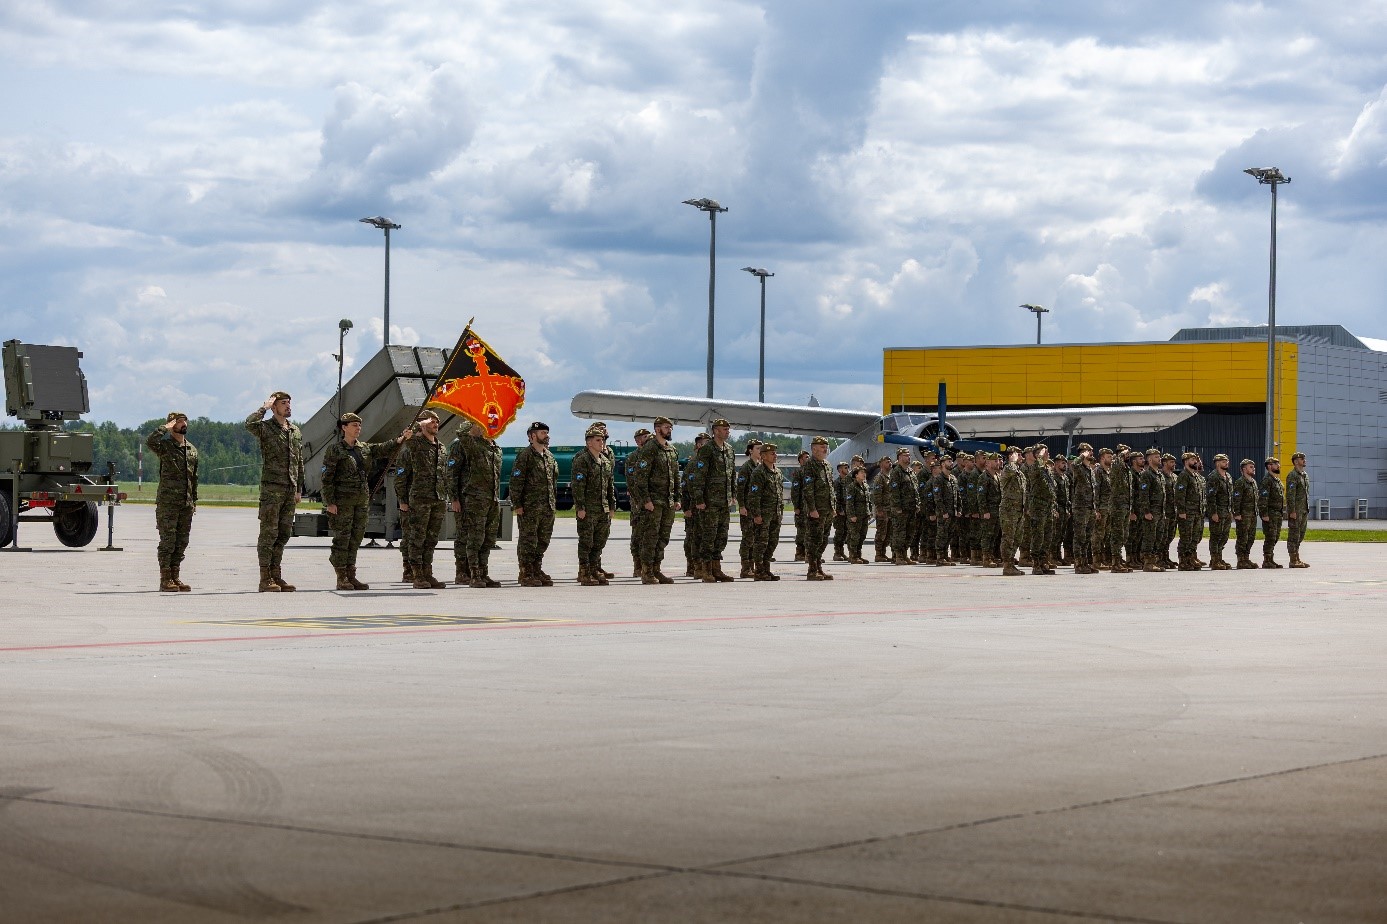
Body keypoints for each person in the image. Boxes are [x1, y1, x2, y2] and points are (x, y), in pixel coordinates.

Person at [322, 413, 409, 590]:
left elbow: (384, 448)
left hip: (361, 502)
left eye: (359, 425)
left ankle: (350, 575)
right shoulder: (335, 450)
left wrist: (401, 439)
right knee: (342, 539)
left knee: (355, 539)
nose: (358, 428)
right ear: (344, 427)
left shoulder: (364, 448)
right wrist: (329, 503)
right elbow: (326, 478)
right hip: (342, 502)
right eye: (354, 425)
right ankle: (341, 577)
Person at [245, 391, 305, 592]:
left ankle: (276, 575)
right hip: (272, 488)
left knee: (283, 534)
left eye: (289, 402)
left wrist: (299, 488)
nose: (288, 406)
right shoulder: (266, 428)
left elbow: (299, 461)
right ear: (274, 406)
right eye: (283, 403)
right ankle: (265, 578)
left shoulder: (294, 430)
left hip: (289, 489)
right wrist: (264, 407)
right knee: (268, 534)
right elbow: (249, 424)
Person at [447, 419, 504, 588]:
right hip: (471, 499)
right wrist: (454, 498)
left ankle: (482, 572)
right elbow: (452, 473)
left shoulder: (495, 448)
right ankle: (468, 573)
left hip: (491, 499)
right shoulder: (469, 444)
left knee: (487, 539)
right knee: (471, 537)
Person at [396, 410, 449, 589]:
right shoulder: (414, 444)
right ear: (422, 424)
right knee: (416, 538)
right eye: (431, 421)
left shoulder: (441, 447)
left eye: (437, 422)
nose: (435, 424)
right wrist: (402, 500)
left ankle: (427, 573)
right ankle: (416, 575)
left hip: (438, 498)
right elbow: (401, 476)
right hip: (419, 498)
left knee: (431, 539)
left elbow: (444, 474)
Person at [146, 411, 199, 592]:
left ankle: (175, 577)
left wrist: (194, 501)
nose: (184, 424)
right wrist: (163, 428)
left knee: (181, 541)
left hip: (186, 503)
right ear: (171, 425)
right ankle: (165, 579)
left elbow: (194, 478)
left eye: (185, 421)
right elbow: (150, 442)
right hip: (168, 503)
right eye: (179, 421)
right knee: (168, 541)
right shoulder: (165, 446)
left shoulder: (191, 449)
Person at [628, 416, 681, 584]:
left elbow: (675, 477)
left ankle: (656, 569)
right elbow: (640, 477)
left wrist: (677, 498)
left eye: (670, 427)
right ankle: (646, 571)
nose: (669, 430)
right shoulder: (650, 449)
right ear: (657, 429)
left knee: (663, 537)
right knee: (650, 537)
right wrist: (645, 500)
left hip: (668, 502)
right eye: (666, 427)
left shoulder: (671, 450)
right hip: (654, 502)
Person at [510, 421, 559, 587]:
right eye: (542, 433)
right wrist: (517, 504)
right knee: (528, 541)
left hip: (547, 507)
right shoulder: (525, 456)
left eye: (546, 432)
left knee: (543, 540)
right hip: (529, 507)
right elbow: (516, 482)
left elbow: (553, 482)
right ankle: (525, 573)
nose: (546, 435)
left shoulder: (549, 457)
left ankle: (536, 569)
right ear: (532, 436)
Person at [689, 418, 737, 582]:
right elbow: (699, 476)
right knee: (708, 536)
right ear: (716, 430)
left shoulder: (729, 450)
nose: (727, 432)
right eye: (724, 429)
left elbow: (731, 475)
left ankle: (717, 569)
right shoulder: (707, 449)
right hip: (709, 502)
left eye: (728, 429)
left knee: (721, 536)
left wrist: (733, 495)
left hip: (724, 501)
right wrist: (699, 499)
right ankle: (706, 570)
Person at [572, 423, 616, 586]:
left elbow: (609, 486)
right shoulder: (582, 460)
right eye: (598, 440)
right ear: (589, 442)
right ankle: (584, 572)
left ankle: (593, 569)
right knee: (586, 542)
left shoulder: (605, 461)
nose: (601, 442)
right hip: (588, 509)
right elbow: (578, 486)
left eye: (602, 440)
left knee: (599, 541)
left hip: (602, 508)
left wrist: (612, 506)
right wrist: (580, 507)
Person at [746, 443, 784, 580]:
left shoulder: (778, 472)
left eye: (775, 453)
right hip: (763, 515)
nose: (775, 455)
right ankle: (759, 571)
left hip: (775, 514)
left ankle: (766, 569)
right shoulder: (759, 472)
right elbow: (754, 495)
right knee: (761, 543)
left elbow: (780, 494)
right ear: (763, 456)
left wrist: (780, 512)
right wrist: (756, 514)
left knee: (772, 542)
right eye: (772, 453)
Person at [800, 436, 836, 580]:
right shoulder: (810, 465)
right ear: (814, 449)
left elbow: (830, 487)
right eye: (822, 447)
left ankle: (819, 568)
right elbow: (808, 489)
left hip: (827, 509)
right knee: (814, 540)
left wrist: (833, 507)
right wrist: (812, 509)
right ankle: (812, 570)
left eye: (826, 446)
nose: (825, 449)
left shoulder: (827, 465)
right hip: (816, 510)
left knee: (824, 539)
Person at [681, 432, 709, 575]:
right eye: (705, 443)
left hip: (707, 506)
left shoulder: (710, 462)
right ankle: (693, 566)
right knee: (693, 537)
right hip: (693, 507)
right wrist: (686, 508)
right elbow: (685, 488)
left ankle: (704, 566)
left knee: (706, 537)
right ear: (698, 445)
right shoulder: (692, 465)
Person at [1173, 451, 1206, 571]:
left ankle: (1191, 558)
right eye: (1192, 460)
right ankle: (1183, 561)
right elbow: (1180, 495)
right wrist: (1181, 511)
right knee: (1186, 537)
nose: (1195, 462)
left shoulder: (1195, 476)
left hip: (1197, 512)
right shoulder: (1184, 476)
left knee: (1195, 537)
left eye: (1195, 460)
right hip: (1187, 512)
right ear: (1186, 462)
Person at [1134, 449, 1165, 572]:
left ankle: (1154, 561)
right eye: (1156, 457)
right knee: (1149, 538)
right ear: (1150, 459)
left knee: (1158, 537)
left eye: (1159, 457)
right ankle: (1148, 563)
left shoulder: (1159, 474)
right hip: (1151, 512)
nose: (1159, 459)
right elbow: (1144, 494)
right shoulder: (1147, 475)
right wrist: (1146, 511)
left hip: (1160, 511)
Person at [735, 439, 763, 577]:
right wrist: (741, 506)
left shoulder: (761, 466)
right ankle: (745, 568)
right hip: (747, 508)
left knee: (756, 538)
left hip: (757, 509)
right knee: (748, 539)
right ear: (751, 450)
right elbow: (740, 488)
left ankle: (753, 567)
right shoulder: (746, 468)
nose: (760, 451)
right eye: (758, 449)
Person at [888, 448, 919, 565]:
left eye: (908, 455)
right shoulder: (896, 472)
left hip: (911, 508)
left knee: (909, 533)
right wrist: (897, 507)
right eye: (906, 455)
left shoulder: (910, 472)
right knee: (899, 532)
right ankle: (898, 556)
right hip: (901, 509)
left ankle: (904, 554)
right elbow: (894, 491)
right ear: (900, 457)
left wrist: (917, 504)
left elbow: (915, 490)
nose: (908, 457)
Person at [1070, 444, 1098, 574]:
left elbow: (1093, 491)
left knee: (1087, 538)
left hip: (1090, 508)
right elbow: (1073, 465)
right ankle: (1078, 564)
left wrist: (1095, 509)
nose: (1091, 453)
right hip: (1080, 508)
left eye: (1091, 451)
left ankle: (1085, 562)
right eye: (1088, 451)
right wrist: (1081, 456)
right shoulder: (1079, 468)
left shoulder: (1090, 470)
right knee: (1079, 537)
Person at [999, 446, 1027, 576]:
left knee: (1017, 538)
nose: (1021, 458)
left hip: (1018, 510)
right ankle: (1007, 565)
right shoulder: (1007, 469)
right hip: (1009, 510)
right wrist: (1012, 460)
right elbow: (1010, 469)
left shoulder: (1019, 473)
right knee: (1008, 538)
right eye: (1019, 455)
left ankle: (1011, 563)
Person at [627, 427, 651, 576]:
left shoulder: (653, 454)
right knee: (637, 534)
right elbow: (631, 481)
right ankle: (637, 565)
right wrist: (638, 500)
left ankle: (650, 566)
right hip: (638, 502)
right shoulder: (633, 457)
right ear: (637, 441)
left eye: (647, 436)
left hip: (652, 501)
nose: (646, 439)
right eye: (643, 437)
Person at [1205, 453, 1235, 570]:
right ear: (1217, 463)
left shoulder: (1228, 476)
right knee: (1216, 536)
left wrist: (1231, 511)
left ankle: (1219, 557)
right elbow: (1211, 497)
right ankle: (1214, 560)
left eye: (1227, 461)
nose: (1226, 463)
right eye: (1223, 461)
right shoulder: (1214, 477)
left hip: (1226, 511)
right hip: (1218, 511)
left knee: (1224, 536)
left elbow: (1230, 496)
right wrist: (1213, 513)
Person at [1232, 458, 1261, 569]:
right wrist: (1237, 513)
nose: (1253, 469)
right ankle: (1241, 560)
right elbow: (1236, 499)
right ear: (1244, 469)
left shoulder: (1253, 482)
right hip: (1243, 515)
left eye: (1253, 467)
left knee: (1251, 537)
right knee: (1242, 538)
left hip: (1252, 514)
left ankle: (1246, 558)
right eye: (1251, 467)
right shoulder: (1240, 482)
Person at [1285, 452, 1311, 568]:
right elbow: (1290, 495)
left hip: (1304, 509)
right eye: (1302, 459)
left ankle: (1297, 558)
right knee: (1294, 535)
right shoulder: (1292, 476)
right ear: (1296, 461)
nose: (1304, 460)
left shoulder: (1304, 475)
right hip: (1296, 511)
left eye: (1304, 459)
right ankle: (1293, 559)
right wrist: (1292, 511)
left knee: (1301, 534)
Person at [1260, 456, 1287, 569]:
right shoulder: (1267, 480)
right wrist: (1264, 514)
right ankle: (1267, 560)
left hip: (1278, 513)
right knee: (1270, 537)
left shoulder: (1277, 480)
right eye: (1276, 464)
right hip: (1270, 513)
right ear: (1269, 466)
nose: (1279, 466)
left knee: (1275, 537)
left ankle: (1271, 559)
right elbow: (1263, 498)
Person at [844, 464, 870, 564]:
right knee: (854, 536)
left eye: (864, 472)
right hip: (856, 516)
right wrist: (852, 515)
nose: (864, 474)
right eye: (861, 473)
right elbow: (849, 502)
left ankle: (858, 555)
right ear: (856, 475)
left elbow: (868, 501)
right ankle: (853, 556)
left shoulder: (865, 486)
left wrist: (869, 511)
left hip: (864, 515)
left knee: (862, 536)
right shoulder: (852, 487)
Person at [871, 456, 893, 562]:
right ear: (881, 464)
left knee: (888, 533)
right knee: (881, 533)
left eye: (890, 461)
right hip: (882, 510)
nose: (889, 463)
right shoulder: (879, 478)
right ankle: (878, 554)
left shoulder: (889, 477)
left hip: (889, 510)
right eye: (886, 462)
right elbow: (877, 495)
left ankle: (883, 553)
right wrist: (879, 509)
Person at [790, 449, 810, 562]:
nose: (808, 458)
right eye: (805, 457)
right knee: (802, 531)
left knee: (810, 531)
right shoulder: (799, 473)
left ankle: (808, 554)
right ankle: (800, 553)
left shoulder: (810, 472)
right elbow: (795, 491)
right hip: (802, 507)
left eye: (808, 456)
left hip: (810, 507)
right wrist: (796, 507)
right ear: (800, 460)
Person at [832, 460, 851, 562]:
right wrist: (839, 510)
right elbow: (835, 498)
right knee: (839, 533)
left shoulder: (849, 482)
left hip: (847, 510)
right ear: (840, 470)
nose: (847, 469)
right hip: (840, 512)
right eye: (845, 468)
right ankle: (837, 553)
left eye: (847, 467)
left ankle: (842, 552)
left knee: (845, 533)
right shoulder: (837, 483)